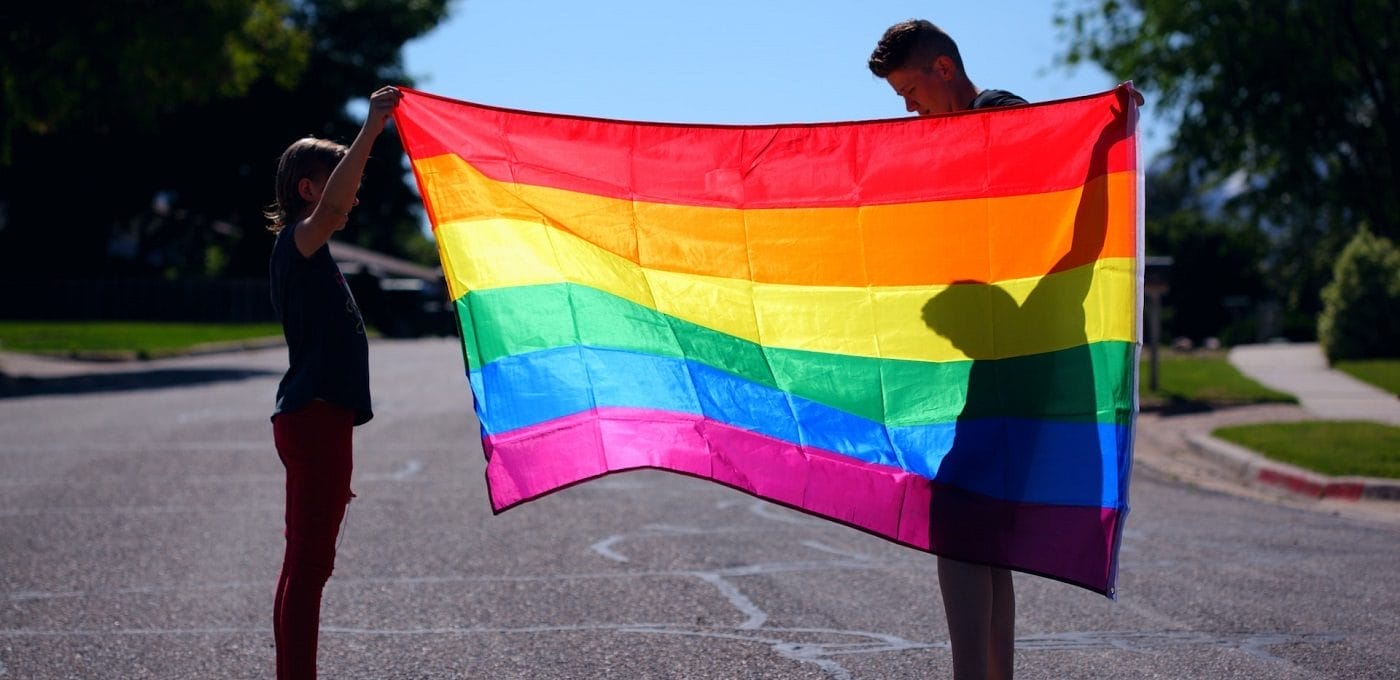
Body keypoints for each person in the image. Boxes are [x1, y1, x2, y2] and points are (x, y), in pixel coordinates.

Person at [868, 20, 1026, 680]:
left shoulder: (998, 117)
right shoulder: (957, 133)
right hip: (1003, 356)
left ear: (942, 67)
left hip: (1019, 354)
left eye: (910, 90)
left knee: (958, 522)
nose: (908, 108)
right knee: (982, 537)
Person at [264, 85, 402, 679]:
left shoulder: (312, 253)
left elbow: (340, 208)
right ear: (307, 189)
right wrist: (371, 130)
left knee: (304, 566)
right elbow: (338, 210)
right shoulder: (299, 242)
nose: (351, 184)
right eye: (335, 174)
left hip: (320, 415)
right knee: (310, 567)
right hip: (314, 415)